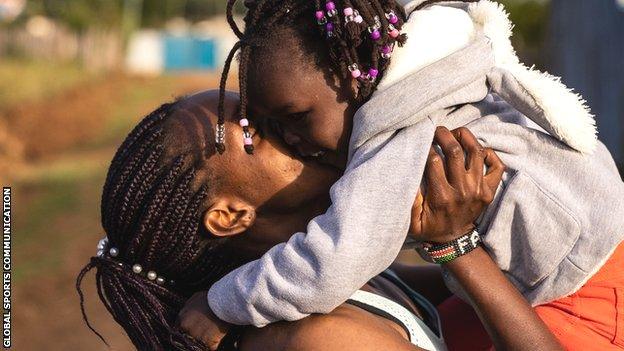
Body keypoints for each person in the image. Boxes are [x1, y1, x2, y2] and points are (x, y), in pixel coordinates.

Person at [182, 0, 624, 349]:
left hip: (582, 300)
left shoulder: (397, 131)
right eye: (270, 128)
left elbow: (334, 259)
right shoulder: (438, 80)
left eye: (295, 117)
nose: (290, 138)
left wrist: (224, 303)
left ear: (351, 79)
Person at [77, 90, 561, 350]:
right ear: (229, 216)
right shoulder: (321, 336)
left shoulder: (321, 273)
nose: (291, 127)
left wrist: (427, 229)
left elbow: (458, 294)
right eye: (255, 132)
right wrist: (456, 242)